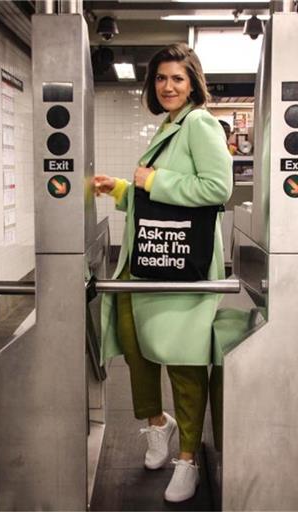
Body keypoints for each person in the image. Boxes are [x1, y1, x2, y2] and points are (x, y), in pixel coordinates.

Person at [92, 43, 232, 503]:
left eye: (177, 78)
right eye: (160, 78)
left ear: (193, 82)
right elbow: (158, 204)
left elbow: (217, 188)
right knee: (136, 350)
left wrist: (153, 180)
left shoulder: (200, 123)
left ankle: (188, 457)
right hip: (146, 260)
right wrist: (120, 188)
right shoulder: (169, 125)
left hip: (181, 266)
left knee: (185, 360)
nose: (168, 86)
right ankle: (157, 424)